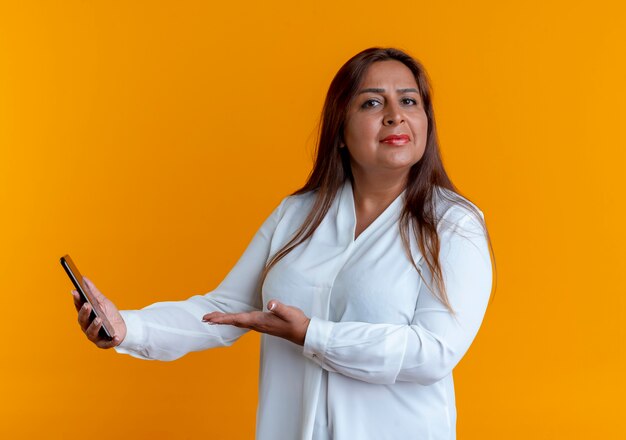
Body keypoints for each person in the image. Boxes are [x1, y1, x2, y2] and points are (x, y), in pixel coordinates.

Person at [72, 47, 496, 440]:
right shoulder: (297, 214)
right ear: (341, 130)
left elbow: (434, 352)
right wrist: (129, 328)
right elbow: (221, 310)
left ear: (426, 122)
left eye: (408, 101)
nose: (394, 116)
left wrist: (312, 335)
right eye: (371, 102)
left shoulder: (454, 225)